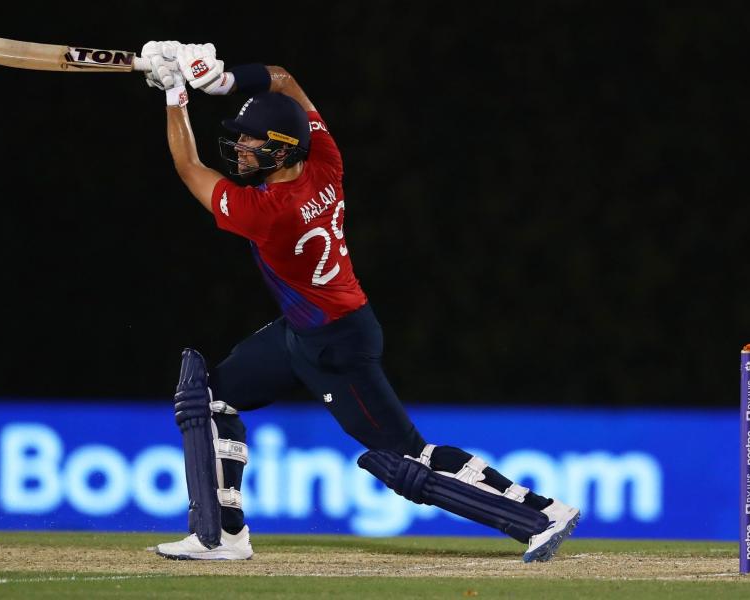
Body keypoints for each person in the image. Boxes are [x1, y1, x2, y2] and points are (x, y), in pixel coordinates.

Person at [139, 41, 580, 562]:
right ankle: (223, 535)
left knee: (407, 457)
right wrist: (224, 82)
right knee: (210, 399)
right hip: (305, 332)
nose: (239, 153)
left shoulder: (268, 213)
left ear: (282, 150)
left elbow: (189, 166)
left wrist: (175, 96)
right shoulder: (325, 160)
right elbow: (281, 77)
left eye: (251, 144)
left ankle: (541, 513)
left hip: (336, 345)